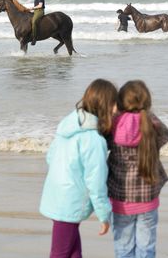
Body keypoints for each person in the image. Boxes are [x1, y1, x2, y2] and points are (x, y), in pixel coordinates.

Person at [40, 78, 118, 258]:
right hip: (70, 201)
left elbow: (50, 157)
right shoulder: (94, 140)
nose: (117, 109)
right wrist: (104, 215)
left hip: (56, 194)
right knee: (60, 253)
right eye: (115, 103)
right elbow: (96, 183)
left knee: (73, 251)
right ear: (106, 105)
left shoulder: (69, 125)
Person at [107, 80, 168, 258]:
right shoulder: (150, 122)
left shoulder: (114, 124)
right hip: (148, 201)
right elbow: (167, 135)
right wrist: (148, 115)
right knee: (146, 249)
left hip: (121, 201)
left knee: (123, 248)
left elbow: (103, 141)